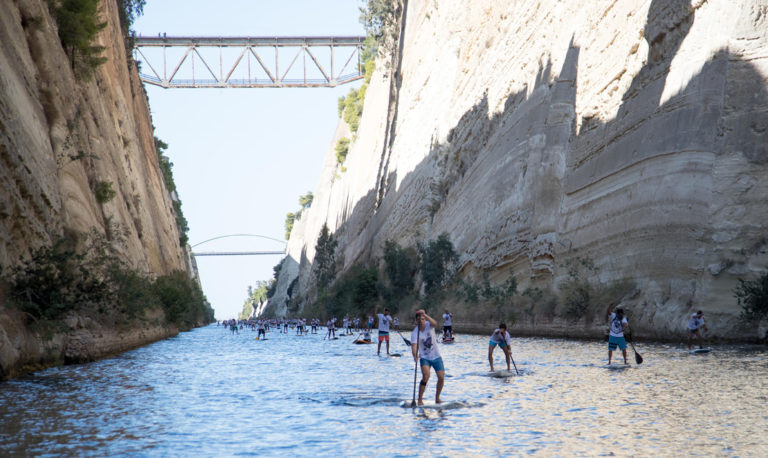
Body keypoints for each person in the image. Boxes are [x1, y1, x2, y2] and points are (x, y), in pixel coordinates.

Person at [410, 310, 444, 405]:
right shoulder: (415, 333)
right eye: (419, 319)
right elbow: (414, 346)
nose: (421, 321)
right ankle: (420, 399)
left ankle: (437, 398)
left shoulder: (429, 325)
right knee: (426, 376)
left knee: (441, 377)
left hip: (436, 355)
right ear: (416, 320)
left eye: (423, 319)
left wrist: (425, 315)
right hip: (424, 357)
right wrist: (415, 355)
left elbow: (435, 323)